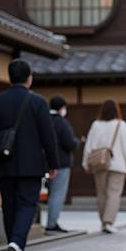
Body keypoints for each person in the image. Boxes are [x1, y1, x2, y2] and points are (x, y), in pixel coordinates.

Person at [0, 59, 58, 251]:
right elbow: (48, 136)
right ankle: (17, 242)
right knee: (27, 205)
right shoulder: (38, 102)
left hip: (4, 163)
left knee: (9, 206)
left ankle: (13, 242)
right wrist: (53, 163)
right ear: (29, 78)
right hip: (31, 165)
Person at [82, 100, 126, 234]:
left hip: (100, 164)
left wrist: (86, 163)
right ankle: (108, 222)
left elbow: (89, 146)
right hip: (118, 165)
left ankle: (103, 222)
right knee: (114, 194)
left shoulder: (96, 125)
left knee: (101, 194)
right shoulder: (121, 125)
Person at [45, 95, 80, 234]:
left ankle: (48, 222)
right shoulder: (61, 123)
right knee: (57, 193)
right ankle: (52, 223)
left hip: (45, 162)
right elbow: (70, 142)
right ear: (61, 108)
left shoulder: (45, 120)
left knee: (48, 193)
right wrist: (78, 142)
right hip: (61, 163)